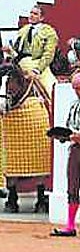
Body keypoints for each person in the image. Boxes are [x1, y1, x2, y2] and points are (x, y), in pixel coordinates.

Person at [50, 71, 80, 236]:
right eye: (75, 89)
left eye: (79, 88)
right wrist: (63, 136)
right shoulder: (74, 105)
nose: (77, 92)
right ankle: (70, 225)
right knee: (72, 187)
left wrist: (73, 136)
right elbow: (70, 128)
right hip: (75, 149)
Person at [7, 4, 59, 94]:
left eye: (35, 14)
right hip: (21, 64)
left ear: (41, 18)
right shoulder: (23, 30)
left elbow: (48, 54)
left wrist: (37, 70)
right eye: (31, 13)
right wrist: (10, 52)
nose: (31, 15)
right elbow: (17, 52)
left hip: (37, 64)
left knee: (50, 89)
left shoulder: (49, 32)